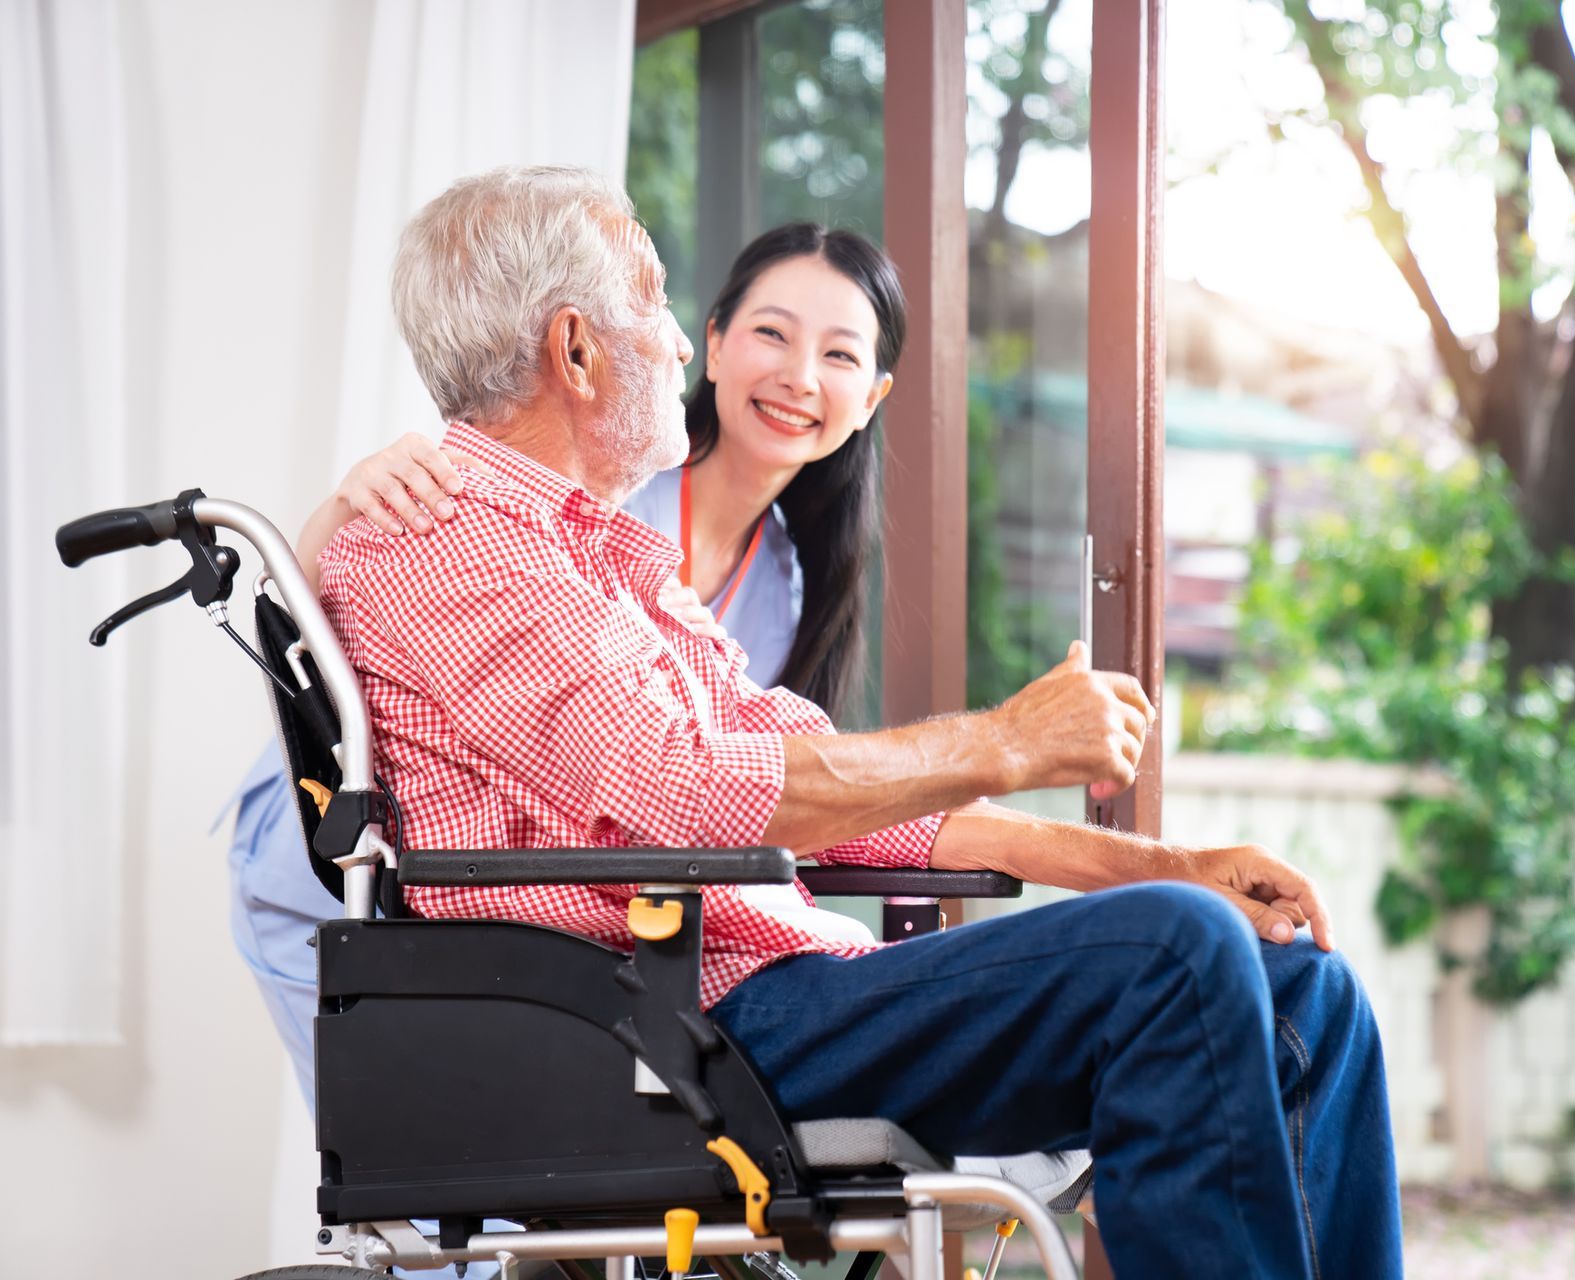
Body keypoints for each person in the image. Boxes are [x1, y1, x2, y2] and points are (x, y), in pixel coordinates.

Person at [321, 164, 1403, 1279]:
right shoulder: (450, 542)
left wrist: (1168, 859)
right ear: (576, 350)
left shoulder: (599, 557)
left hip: (759, 991)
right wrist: (1010, 739)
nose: (679, 348)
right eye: (651, 303)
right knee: (1177, 950)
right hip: (673, 1024)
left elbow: (824, 790)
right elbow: (688, 791)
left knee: (1306, 994)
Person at [227, 223, 903, 1110]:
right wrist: (341, 503)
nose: (799, 376)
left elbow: (725, 791)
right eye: (772, 334)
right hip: (356, 866)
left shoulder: (785, 578)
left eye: (840, 354)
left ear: (875, 394)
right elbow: (322, 607)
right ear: (710, 341)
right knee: (448, 1208)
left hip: (555, 922)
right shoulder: (608, 479)